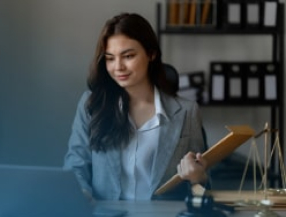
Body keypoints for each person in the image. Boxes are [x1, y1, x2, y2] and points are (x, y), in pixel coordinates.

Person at [64, 13, 208, 201]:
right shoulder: (91, 105)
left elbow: (204, 186)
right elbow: (75, 166)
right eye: (110, 58)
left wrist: (198, 178)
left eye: (128, 56)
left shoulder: (187, 112)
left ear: (151, 54)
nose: (118, 67)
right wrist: (82, 196)